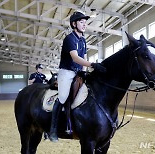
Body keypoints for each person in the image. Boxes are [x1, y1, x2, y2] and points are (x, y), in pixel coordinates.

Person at [49, 11, 106, 142]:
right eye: (81, 22)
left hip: (78, 72)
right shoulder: (69, 39)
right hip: (66, 72)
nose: (84, 24)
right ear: (74, 24)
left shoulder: (83, 40)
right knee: (63, 97)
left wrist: (85, 71)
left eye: (85, 22)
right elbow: (75, 57)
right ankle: (52, 129)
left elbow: (84, 58)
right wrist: (92, 64)